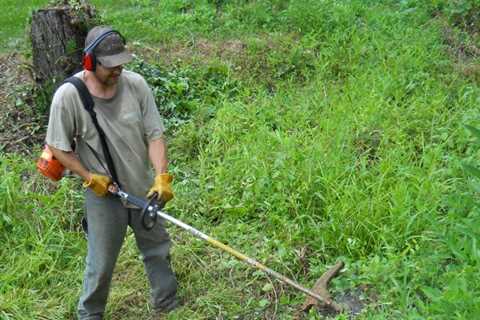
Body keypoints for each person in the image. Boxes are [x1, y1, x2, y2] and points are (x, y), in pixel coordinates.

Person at [45, 25, 178, 319]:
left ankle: (167, 304)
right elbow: (57, 148)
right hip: (105, 194)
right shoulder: (68, 97)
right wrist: (89, 177)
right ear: (90, 62)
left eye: (121, 62)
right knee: (101, 263)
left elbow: (155, 135)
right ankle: (90, 314)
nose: (117, 69)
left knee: (157, 248)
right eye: (110, 65)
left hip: (144, 188)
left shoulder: (137, 85)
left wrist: (161, 176)